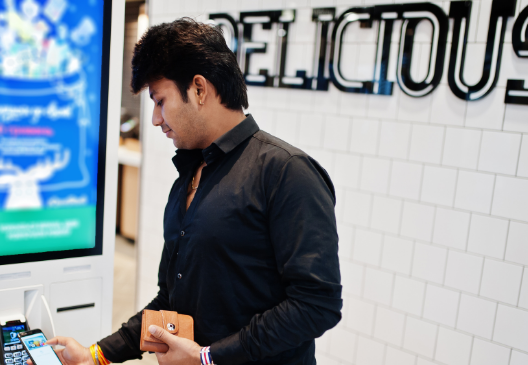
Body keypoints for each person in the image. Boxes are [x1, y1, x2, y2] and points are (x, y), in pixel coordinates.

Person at [30, 18, 342, 365]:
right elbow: (171, 299)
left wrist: (210, 358)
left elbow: (316, 304)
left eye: (160, 101)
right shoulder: (190, 175)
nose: (154, 119)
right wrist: (97, 355)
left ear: (198, 89)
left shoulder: (287, 172)